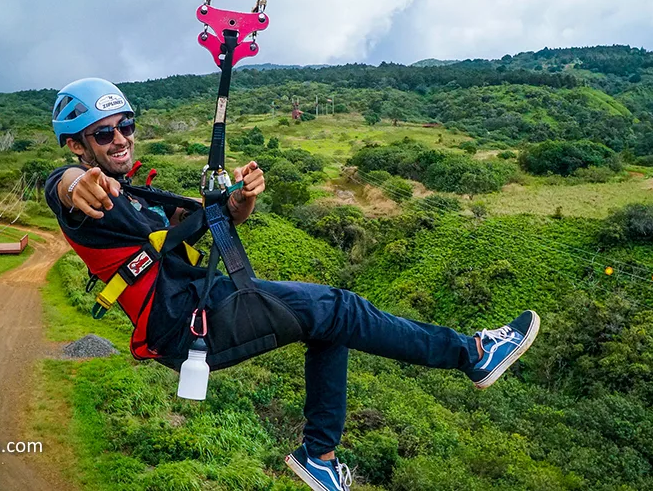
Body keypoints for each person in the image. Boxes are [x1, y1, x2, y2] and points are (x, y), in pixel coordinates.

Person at [45, 78, 541, 491]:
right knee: (339, 307)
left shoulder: (136, 196)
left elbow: (217, 220)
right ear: (76, 144)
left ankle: (319, 455)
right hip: (186, 324)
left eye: (125, 126)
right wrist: (77, 182)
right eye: (104, 132)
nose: (120, 139)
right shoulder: (84, 200)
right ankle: (471, 352)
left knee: (329, 325)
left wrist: (244, 196)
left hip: (206, 305)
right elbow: (64, 187)